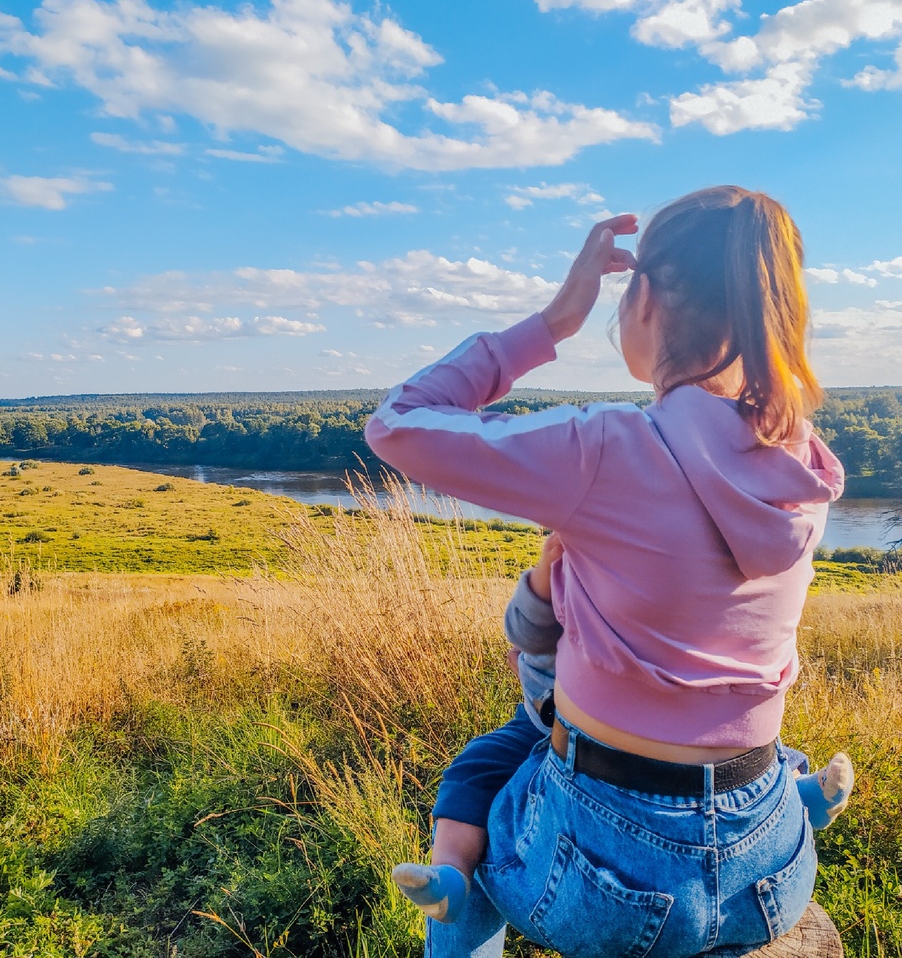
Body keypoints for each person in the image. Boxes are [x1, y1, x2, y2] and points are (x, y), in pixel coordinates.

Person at [365, 187, 848, 957]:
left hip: (610, 878)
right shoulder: (803, 460)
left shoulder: (604, 448)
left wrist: (553, 322)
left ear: (645, 297)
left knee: (480, 832)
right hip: (770, 859)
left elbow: (397, 424)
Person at [392, 532, 853, 925]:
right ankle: (449, 871)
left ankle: (800, 795)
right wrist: (546, 569)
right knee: (474, 770)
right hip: (541, 722)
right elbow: (524, 630)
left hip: (602, 736)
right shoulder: (569, 571)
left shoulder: (643, 586)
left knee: (754, 750)